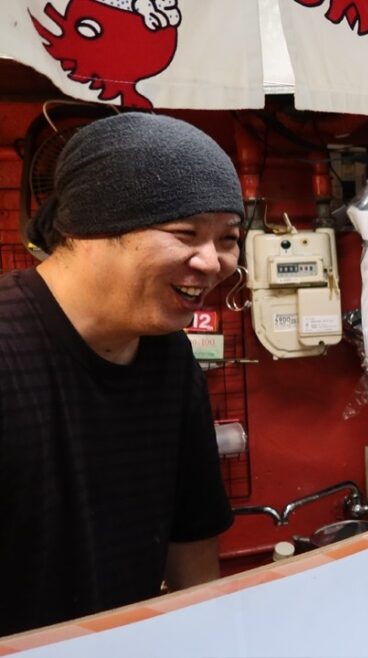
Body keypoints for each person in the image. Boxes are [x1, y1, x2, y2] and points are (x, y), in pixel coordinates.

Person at [0, 112, 242, 636]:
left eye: (228, 237)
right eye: (185, 232)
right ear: (91, 228)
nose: (214, 261)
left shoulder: (169, 356)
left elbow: (191, 535)